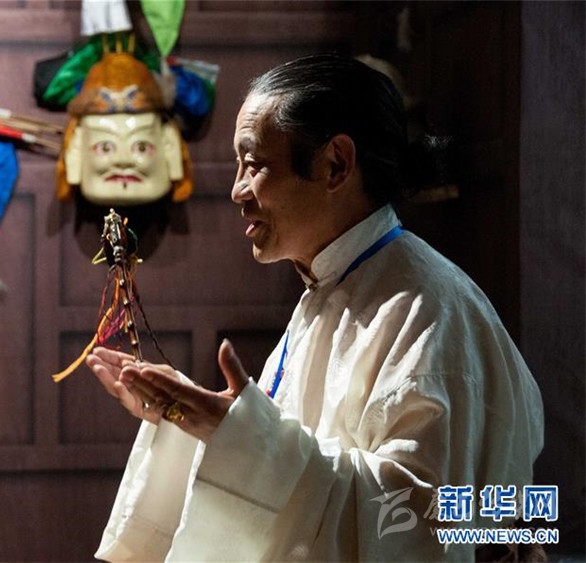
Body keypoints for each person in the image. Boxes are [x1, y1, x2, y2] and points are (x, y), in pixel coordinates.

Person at [86, 53, 544, 561]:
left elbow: (415, 524)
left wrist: (243, 436)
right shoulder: (335, 286)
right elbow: (297, 458)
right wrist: (193, 422)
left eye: (253, 164)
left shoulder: (429, 311)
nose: (237, 190)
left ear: (335, 164)